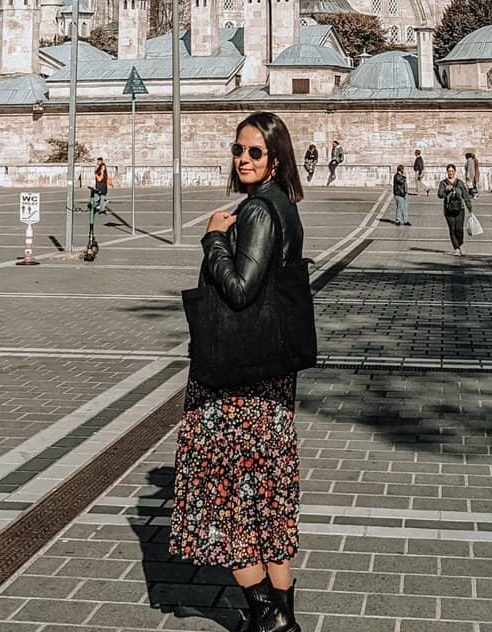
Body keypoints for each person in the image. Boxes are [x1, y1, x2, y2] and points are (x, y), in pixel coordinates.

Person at [170, 111, 306, 632]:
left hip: (237, 384)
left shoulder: (258, 213)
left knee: (223, 497)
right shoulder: (285, 208)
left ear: (275, 159)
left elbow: (241, 289)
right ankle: (283, 621)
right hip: (268, 374)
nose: (242, 160)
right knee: (266, 497)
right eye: (237, 150)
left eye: (254, 152)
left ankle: (266, 619)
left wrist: (212, 239)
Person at [438, 163, 472, 256]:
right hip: (448, 210)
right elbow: (440, 195)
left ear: (455, 172)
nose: (451, 173)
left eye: (452, 171)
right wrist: (446, 190)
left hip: (460, 209)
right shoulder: (443, 183)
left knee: (459, 229)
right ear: (447, 172)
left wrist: (470, 209)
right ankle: (456, 248)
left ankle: (460, 244)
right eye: (449, 171)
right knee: (452, 230)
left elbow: (465, 196)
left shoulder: (460, 183)